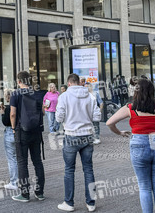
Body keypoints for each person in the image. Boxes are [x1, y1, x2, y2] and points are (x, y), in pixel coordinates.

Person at [106, 79, 155, 213]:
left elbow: (109, 123)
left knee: (144, 187)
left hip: (138, 143)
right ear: (152, 92)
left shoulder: (130, 108)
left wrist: (119, 132)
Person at [56, 73, 101, 212]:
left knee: (69, 170)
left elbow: (58, 118)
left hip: (71, 135)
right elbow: (97, 116)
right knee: (88, 169)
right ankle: (91, 203)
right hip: (87, 135)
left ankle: (69, 203)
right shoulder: (90, 96)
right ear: (79, 82)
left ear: (69, 83)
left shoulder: (63, 96)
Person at [10, 71, 45, 202]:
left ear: (19, 81)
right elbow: (43, 111)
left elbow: (13, 114)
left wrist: (13, 128)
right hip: (36, 131)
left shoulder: (15, 94)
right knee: (37, 161)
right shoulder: (36, 93)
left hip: (21, 131)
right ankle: (40, 192)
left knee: (22, 162)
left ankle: (24, 194)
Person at [0, 89, 18, 190]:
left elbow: (6, 122)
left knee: (11, 159)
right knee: (19, 158)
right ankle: (20, 180)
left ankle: (14, 182)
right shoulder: (19, 106)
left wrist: (2, 113)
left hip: (10, 132)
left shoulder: (8, 108)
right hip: (19, 132)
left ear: (7, 97)